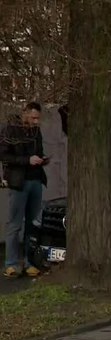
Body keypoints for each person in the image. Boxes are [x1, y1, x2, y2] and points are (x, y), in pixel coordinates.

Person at [1, 102, 49, 278]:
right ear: (25, 114)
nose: (36, 121)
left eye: (38, 118)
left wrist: (42, 160)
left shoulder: (36, 132)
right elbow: (4, 155)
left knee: (32, 224)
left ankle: (29, 263)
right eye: (33, 118)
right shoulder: (11, 130)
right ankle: (11, 264)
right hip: (19, 182)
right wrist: (27, 160)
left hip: (35, 179)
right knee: (15, 224)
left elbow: (40, 150)